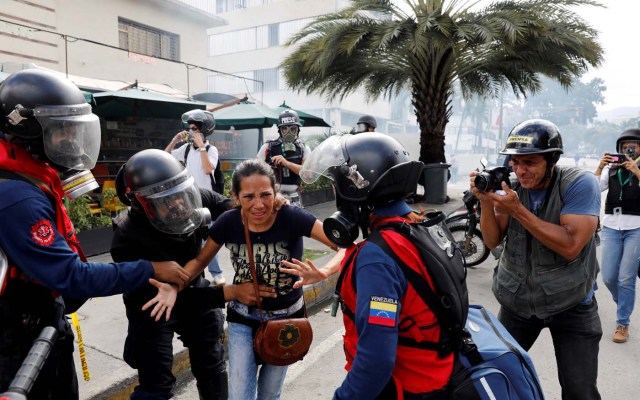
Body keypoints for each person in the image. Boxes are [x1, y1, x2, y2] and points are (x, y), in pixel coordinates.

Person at [0, 69, 189, 400]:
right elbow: (70, 276)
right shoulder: (17, 196)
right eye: (61, 131)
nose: (71, 141)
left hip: (37, 323)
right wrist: (150, 268)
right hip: (18, 341)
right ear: (25, 128)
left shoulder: (29, 176)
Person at [145, 158, 344, 400]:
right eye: (249, 197)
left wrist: (324, 272)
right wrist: (174, 286)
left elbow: (345, 247)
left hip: (287, 320)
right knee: (239, 395)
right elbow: (199, 262)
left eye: (265, 195)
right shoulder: (228, 222)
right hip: (243, 318)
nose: (259, 205)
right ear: (236, 197)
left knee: (270, 394)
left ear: (276, 191)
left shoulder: (293, 217)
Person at [281, 133, 448, 399]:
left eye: (338, 186)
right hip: (436, 373)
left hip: (405, 386)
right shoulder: (417, 226)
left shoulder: (377, 259)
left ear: (355, 190)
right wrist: (324, 271)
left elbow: (376, 362)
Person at [110, 149, 279, 399]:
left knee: (211, 364)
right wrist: (229, 293)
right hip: (152, 303)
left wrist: (270, 204)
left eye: (180, 194)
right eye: (165, 201)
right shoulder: (125, 238)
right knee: (155, 381)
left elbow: (235, 210)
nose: (178, 203)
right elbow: (167, 297)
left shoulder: (193, 196)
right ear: (140, 203)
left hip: (193, 286)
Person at [470, 119, 602, 399]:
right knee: (494, 376)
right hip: (517, 301)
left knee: (580, 390)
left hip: (571, 303)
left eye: (529, 162)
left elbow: (571, 246)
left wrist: (518, 210)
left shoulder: (579, 184)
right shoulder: (512, 188)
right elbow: (493, 240)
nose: (520, 170)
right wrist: (485, 200)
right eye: (515, 162)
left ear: (552, 160)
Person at [165, 109, 226, 286]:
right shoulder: (185, 149)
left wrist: (201, 147)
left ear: (204, 130)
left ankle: (217, 273)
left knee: (209, 240)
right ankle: (195, 275)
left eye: (195, 129)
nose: (191, 132)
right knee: (192, 240)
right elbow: (165, 155)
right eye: (190, 128)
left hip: (207, 202)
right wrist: (175, 140)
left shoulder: (210, 150)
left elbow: (208, 169)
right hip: (189, 200)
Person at [594, 128, 640, 343]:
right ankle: (624, 302)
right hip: (612, 226)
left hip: (637, 228)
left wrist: (637, 171)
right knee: (609, 277)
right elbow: (592, 190)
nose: (628, 148)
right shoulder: (611, 169)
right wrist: (600, 167)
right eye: (624, 146)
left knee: (626, 278)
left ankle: (623, 323)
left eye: (633, 145)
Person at [257, 110, 311, 206]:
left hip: (295, 195)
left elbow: (307, 174)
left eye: (293, 129)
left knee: (295, 220)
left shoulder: (303, 148)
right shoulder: (268, 147)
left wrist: (286, 163)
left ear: (298, 130)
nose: (289, 133)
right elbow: (256, 171)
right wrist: (269, 167)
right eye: (285, 129)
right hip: (273, 195)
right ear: (280, 130)